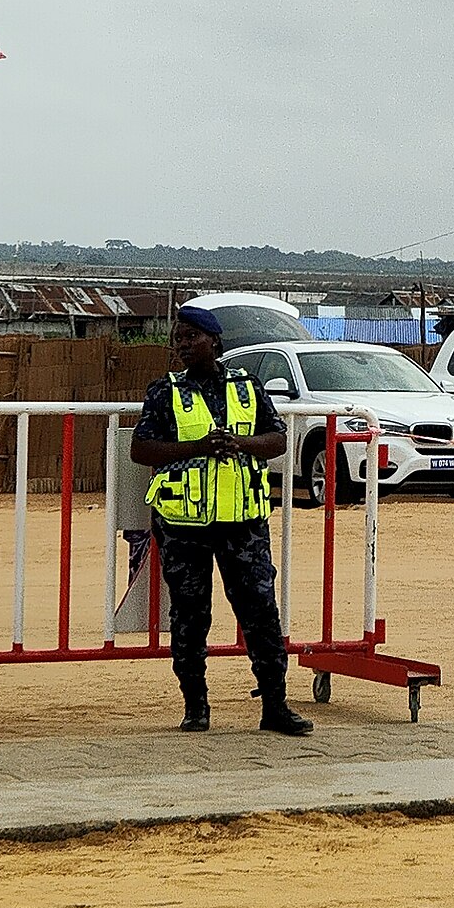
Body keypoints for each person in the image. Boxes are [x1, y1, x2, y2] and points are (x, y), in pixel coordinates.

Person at [130, 307, 313, 735]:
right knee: (191, 617)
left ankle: (275, 706)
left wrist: (239, 443)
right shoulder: (164, 392)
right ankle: (196, 707)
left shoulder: (247, 388)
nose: (182, 344)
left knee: (261, 613)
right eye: (178, 337)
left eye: (191, 336)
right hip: (184, 525)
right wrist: (195, 446)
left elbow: (277, 440)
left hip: (243, 523)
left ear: (214, 341)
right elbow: (142, 450)